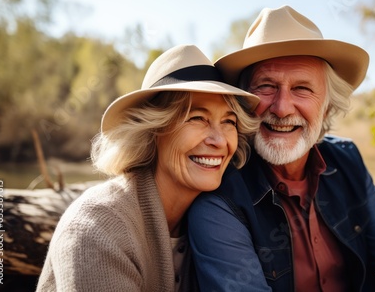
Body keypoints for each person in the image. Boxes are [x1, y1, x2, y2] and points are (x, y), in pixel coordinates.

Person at [188, 6, 375, 291]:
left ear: (327, 108)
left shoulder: (347, 162)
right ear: (243, 104)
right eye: (266, 86)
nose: (282, 108)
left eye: (302, 88)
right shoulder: (221, 196)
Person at [36, 44, 260, 292]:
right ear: (154, 130)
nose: (219, 141)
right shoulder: (98, 227)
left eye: (228, 121)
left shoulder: (217, 217)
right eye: (197, 118)